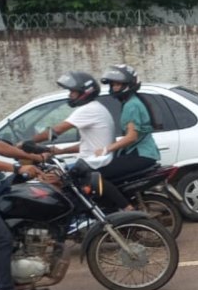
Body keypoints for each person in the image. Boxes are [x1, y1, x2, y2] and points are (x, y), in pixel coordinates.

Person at [0, 85, 52, 290]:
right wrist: (16, 167)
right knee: (1, 239)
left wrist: (33, 157)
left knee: (17, 221)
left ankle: (20, 283)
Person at [28, 70, 131, 211]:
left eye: (73, 91)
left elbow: (56, 130)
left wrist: (28, 141)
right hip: (93, 159)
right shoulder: (96, 107)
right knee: (57, 176)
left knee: (52, 182)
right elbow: (88, 143)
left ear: (84, 92)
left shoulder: (88, 109)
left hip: (93, 163)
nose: (70, 95)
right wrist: (59, 151)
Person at [96, 64, 160, 199]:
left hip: (140, 155)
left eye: (118, 84)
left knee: (97, 176)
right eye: (113, 85)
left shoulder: (131, 105)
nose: (114, 88)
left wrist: (106, 149)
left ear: (128, 85)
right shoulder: (132, 102)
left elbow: (131, 137)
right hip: (142, 153)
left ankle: (125, 207)